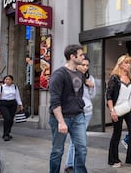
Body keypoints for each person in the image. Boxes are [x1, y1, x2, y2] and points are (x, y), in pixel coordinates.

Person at [48, 44, 88, 173]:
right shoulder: (58, 74)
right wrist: (61, 121)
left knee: (81, 148)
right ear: (72, 56)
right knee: (58, 150)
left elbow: (79, 95)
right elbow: (55, 100)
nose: (83, 57)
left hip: (78, 116)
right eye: (81, 55)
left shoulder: (80, 74)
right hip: (61, 118)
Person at [106, 54, 131, 168]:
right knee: (117, 133)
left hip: (128, 108)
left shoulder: (130, 78)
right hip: (117, 109)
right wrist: (112, 110)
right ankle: (113, 159)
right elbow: (109, 96)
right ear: (120, 64)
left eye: (129, 63)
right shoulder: (114, 78)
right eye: (126, 63)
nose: (128, 65)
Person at [64, 55, 96, 173]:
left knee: (77, 141)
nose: (85, 68)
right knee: (76, 140)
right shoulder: (71, 77)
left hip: (87, 112)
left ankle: (71, 165)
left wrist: (91, 86)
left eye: (87, 65)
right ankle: (70, 165)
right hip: (74, 112)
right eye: (83, 65)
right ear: (77, 64)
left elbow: (92, 96)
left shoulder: (90, 78)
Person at [0, 75, 23, 141]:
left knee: (11, 119)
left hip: (12, 104)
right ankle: (5, 135)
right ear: (4, 80)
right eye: (6, 79)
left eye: (9, 79)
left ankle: (7, 133)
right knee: (7, 118)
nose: (8, 81)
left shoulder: (14, 87)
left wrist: (20, 105)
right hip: (3, 104)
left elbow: (17, 96)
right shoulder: (1, 87)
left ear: (12, 81)